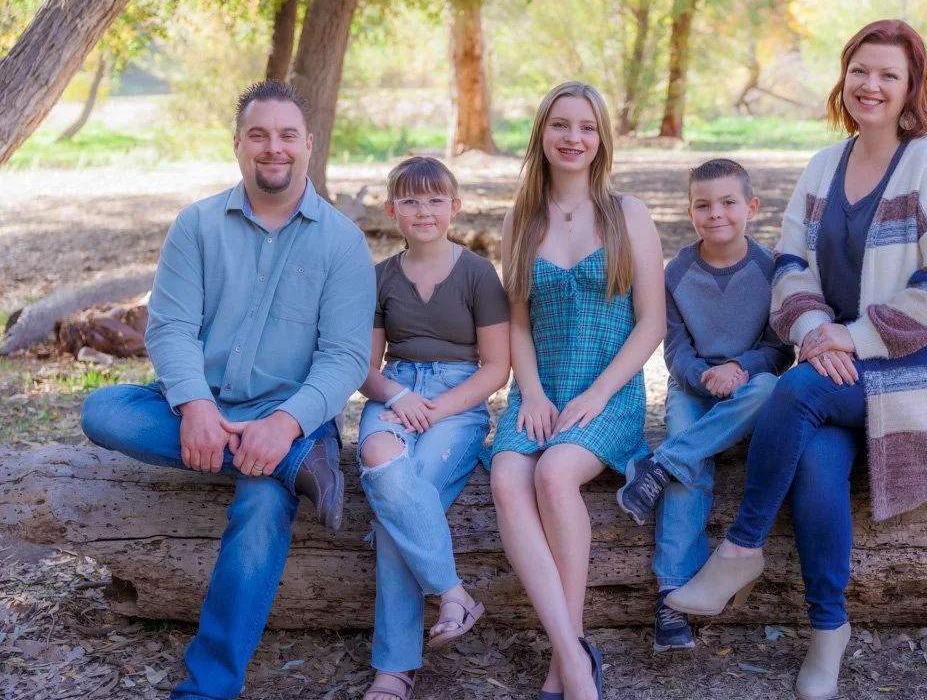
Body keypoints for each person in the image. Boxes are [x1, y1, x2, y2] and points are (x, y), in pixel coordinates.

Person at [665, 19, 927, 700]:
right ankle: (829, 629)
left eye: (888, 75)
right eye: (859, 70)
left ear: (911, 87)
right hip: (844, 362)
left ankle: (741, 549)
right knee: (817, 456)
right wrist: (819, 329)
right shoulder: (825, 166)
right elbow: (790, 265)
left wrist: (853, 337)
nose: (870, 85)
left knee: (797, 391)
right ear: (843, 77)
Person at [80, 80, 376, 699]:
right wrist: (195, 407)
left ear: (309, 144)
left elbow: (345, 358)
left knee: (262, 511)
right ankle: (298, 466)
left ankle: (206, 690)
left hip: (292, 414)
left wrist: (286, 426)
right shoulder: (197, 225)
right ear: (238, 144)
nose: (274, 148)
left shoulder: (342, 241)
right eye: (258, 135)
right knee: (104, 410)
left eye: (287, 135)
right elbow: (171, 328)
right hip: (199, 402)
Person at [487, 81, 665, 700]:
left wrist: (597, 394)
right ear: (542, 133)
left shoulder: (627, 214)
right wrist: (533, 394)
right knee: (506, 477)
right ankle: (573, 655)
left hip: (608, 393)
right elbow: (517, 323)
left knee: (555, 473)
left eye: (587, 127)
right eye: (561, 125)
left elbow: (652, 323)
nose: (573, 138)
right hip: (540, 389)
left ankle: (568, 665)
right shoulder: (520, 219)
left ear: (602, 139)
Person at [615, 158, 793, 652]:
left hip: (749, 388)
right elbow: (674, 350)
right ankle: (671, 597)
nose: (716, 213)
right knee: (688, 472)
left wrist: (738, 367)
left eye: (728, 202)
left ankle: (659, 465)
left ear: (751, 207)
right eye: (703, 205)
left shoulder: (772, 271)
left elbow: (780, 349)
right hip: (692, 389)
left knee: (770, 390)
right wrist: (704, 377)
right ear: (689, 212)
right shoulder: (675, 273)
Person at [355, 157, 510, 700]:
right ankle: (453, 593)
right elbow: (364, 368)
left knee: (396, 505)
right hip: (396, 389)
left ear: (455, 206)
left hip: (459, 398)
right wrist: (398, 397)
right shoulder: (380, 278)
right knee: (379, 456)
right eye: (411, 201)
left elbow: (497, 367)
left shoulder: (477, 274)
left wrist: (439, 409)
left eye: (435, 200)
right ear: (391, 210)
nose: (424, 211)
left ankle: (394, 668)